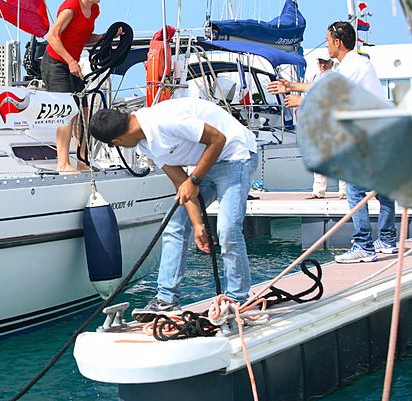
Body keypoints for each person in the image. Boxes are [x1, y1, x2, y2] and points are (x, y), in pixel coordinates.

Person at [89, 98, 257, 319]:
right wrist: (197, 225)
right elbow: (181, 183)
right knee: (174, 224)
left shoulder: (164, 122)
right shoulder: (144, 143)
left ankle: (237, 298)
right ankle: (166, 300)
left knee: (228, 229)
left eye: (113, 145)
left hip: (235, 156)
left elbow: (218, 139)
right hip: (204, 165)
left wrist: (195, 179)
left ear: (117, 140)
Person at [267, 21, 397, 263]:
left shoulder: (353, 64)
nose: (326, 46)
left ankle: (364, 246)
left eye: (327, 41)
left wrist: (301, 101)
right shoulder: (354, 64)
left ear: (337, 42)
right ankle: (387, 241)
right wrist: (292, 86)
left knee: (356, 190)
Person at [42, 0, 107, 173]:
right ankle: (63, 163)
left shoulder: (94, 10)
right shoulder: (72, 6)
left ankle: (82, 160)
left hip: (72, 65)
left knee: (84, 112)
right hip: (56, 63)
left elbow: (82, 38)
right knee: (67, 112)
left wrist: (106, 37)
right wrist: (70, 61)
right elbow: (52, 36)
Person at [304, 57, 346, 200]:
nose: (322, 65)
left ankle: (344, 191)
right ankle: (318, 191)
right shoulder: (314, 78)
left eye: (325, 62)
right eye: (320, 62)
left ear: (331, 63)